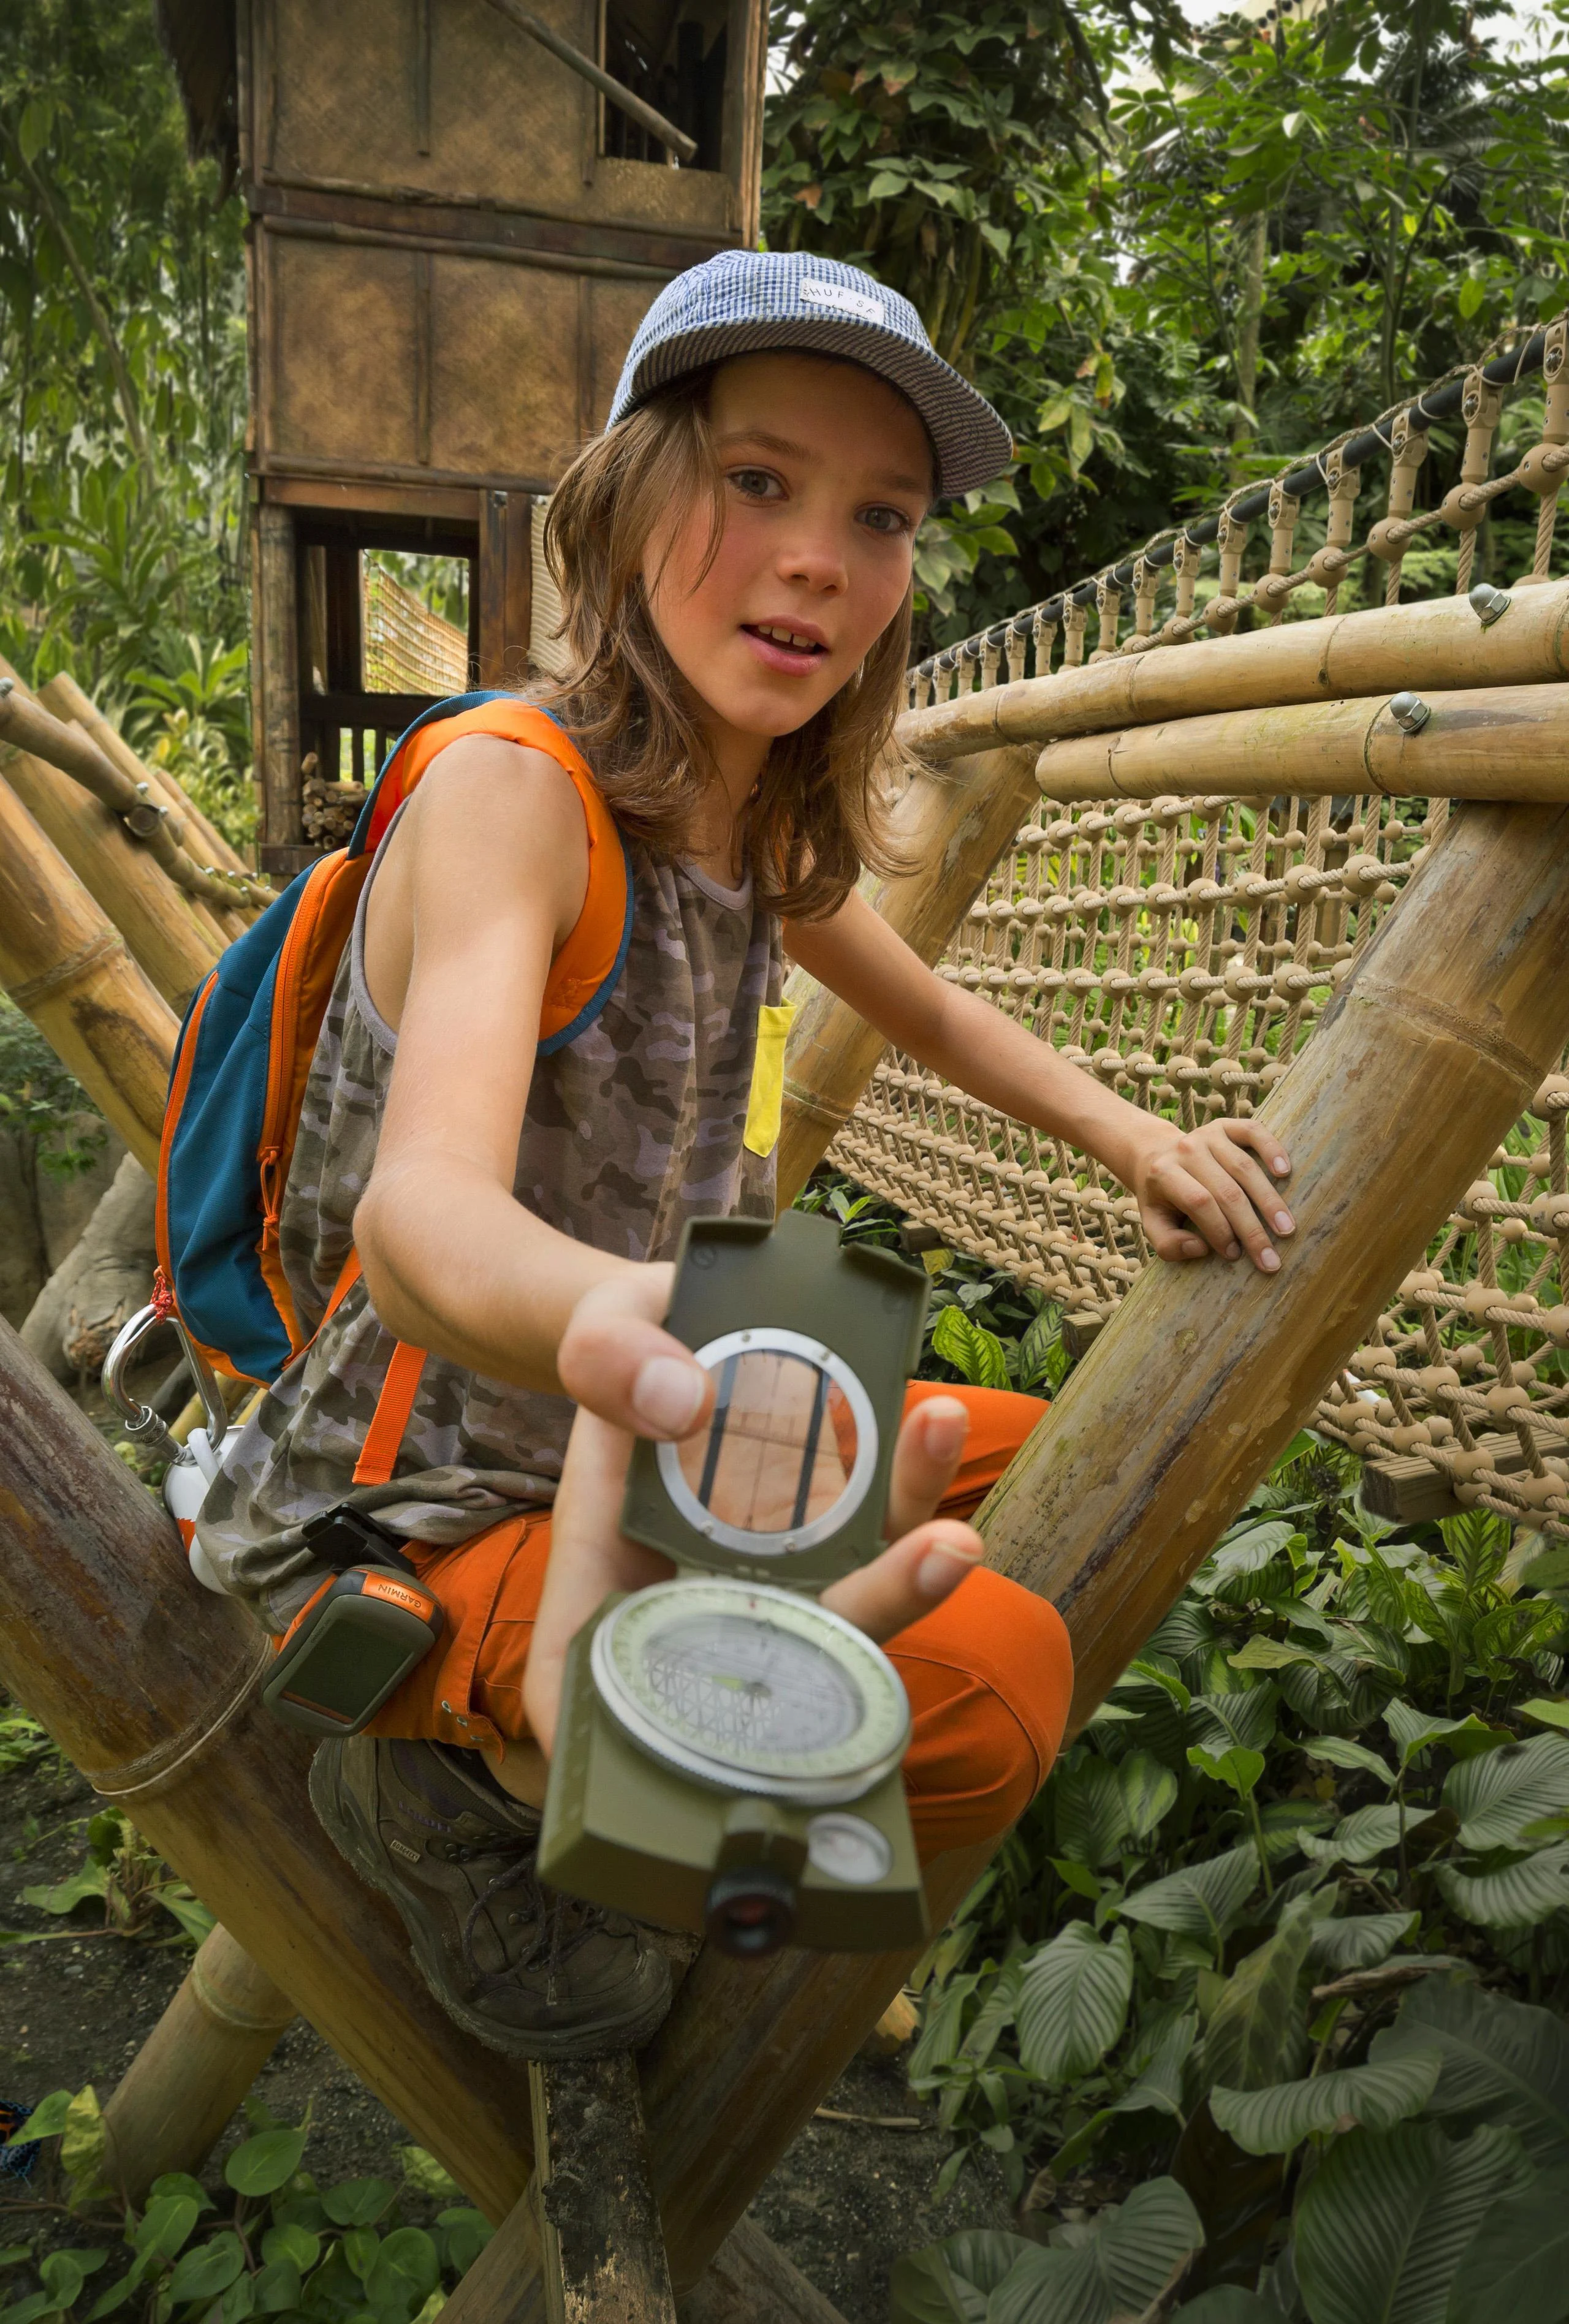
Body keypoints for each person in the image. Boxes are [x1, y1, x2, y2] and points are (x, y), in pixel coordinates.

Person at [197, 251, 1295, 2060]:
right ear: (630, 497)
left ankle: (669, 1776)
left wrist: (1134, 1133)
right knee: (1001, 1691)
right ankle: (465, 1810)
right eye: (760, 482)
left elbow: (929, 1012)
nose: (819, 559)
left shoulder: (751, 805)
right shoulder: (513, 794)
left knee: (1071, 1455)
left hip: (669, 1428)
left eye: (880, 516)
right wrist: (634, 1324)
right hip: (434, 1492)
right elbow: (421, 1219)